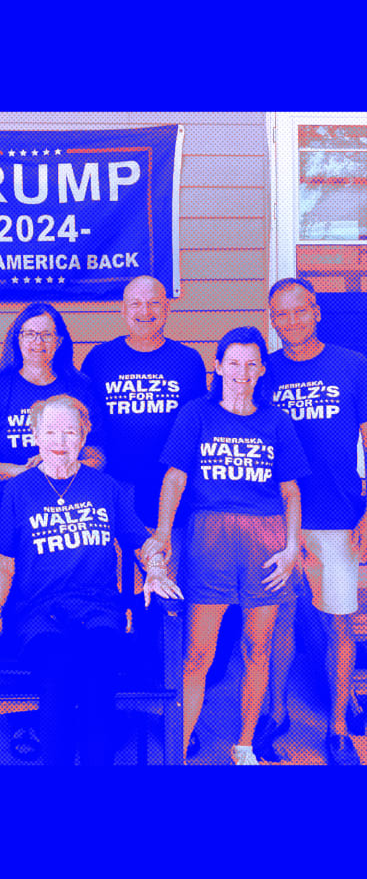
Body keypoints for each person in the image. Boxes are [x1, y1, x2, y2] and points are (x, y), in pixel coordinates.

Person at [152, 326, 309, 765]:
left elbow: (291, 491)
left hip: (266, 539)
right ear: (218, 367)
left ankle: (244, 746)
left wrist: (293, 546)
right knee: (198, 653)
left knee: (258, 648)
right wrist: (164, 532)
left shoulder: (276, 420)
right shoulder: (196, 415)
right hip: (210, 538)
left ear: (261, 370)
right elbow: (175, 478)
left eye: (250, 364)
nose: (241, 372)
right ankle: (178, 751)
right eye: (233, 363)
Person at [250, 277, 367, 766]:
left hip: (336, 512)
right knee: (277, 625)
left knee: (337, 623)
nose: (290, 322)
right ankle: (275, 714)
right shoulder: (262, 372)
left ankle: (335, 728)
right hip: (273, 516)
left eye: (299, 311)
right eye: (280, 314)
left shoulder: (350, 366)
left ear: (317, 311)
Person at [0, 395, 179, 765]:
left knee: (99, 675)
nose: (60, 442)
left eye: (69, 432)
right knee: (58, 672)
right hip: (37, 612)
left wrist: (157, 568)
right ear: (35, 435)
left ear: (84, 437)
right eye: (50, 432)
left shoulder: (105, 487)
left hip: (99, 609)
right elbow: (3, 564)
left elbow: (140, 542)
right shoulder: (15, 493)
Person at [80, 276, 208, 535]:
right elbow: (84, 421)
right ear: (124, 310)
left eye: (154, 303)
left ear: (167, 309)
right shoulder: (99, 359)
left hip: (169, 487)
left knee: (163, 567)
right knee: (117, 568)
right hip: (113, 482)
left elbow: (199, 429)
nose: (145, 312)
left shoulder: (188, 360)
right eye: (136, 304)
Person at [0, 302, 107, 480]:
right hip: (10, 495)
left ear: (58, 341)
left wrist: (62, 467)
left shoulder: (79, 389)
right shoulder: (3, 387)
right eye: (30, 334)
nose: (37, 342)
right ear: (18, 339)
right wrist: (22, 472)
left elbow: (98, 456)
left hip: (68, 496)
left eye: (46, 335)